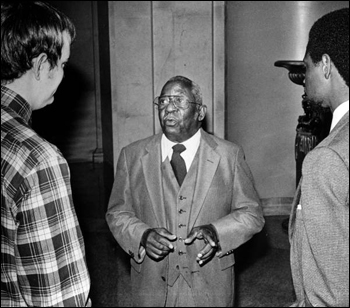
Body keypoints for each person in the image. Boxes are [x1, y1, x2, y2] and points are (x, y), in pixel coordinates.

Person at [106, 75, 265, 307]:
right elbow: (116, 213)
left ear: (200, 112)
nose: (168, 109)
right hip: (152, 284)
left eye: (178, 101)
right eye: (163, 101)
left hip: (209, 283)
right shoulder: (132, 156)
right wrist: (142, 235)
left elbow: (252, 214)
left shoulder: (228, 156)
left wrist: (216, 231)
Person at [1, 1, 91, 306]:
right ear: (41, 65)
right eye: (62, 64)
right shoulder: (38, 159)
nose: (63, 74)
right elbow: (59, 295)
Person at [288, 8, 349, 307]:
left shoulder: (327, 158)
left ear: (325, 65)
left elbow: (330, 293)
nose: (304, 78)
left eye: (306, 67)